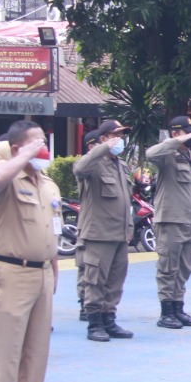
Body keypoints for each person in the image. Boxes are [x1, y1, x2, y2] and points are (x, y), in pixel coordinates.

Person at [0, 120, 62, 382]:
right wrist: (21, 155)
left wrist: (53, 269)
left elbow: (51, 229)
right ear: (17, 148)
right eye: (36, 143)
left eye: (44, 142)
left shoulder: (48, 184)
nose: (43, 148)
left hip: (41, 271)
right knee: (8, 347)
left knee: (36, 348)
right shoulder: (5, 179)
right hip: (10, 270)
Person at [73, 119, 133, 343]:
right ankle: (94, 324)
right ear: (103, 139)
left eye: (122, 135)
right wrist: (102, 149)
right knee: (95, 280)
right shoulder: (93, 164)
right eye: (116, 135)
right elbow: (79, 168)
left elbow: (126, 200)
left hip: (119, 234)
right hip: (98, 234)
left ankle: (109, 319)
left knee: (116, 280)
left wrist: (128, 228)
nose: (120, 140)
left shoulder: (121, 165)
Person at [147, 115, 191, 330]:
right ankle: (166, 312)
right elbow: (150, 153)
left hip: (188, 222)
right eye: (187, 132)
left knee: (184, 268)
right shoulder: (167, 154)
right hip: (170, 221)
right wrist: (174, 142)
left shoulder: (188, 156)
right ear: (175, 133)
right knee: (167, 268)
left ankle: (178, 307)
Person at [76, 129, 101, 322]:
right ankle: (84, 302)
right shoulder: (87, 165)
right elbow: (80, 169)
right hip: (89, 224)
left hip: (108, 226)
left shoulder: (116, 165)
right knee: (87, 265)